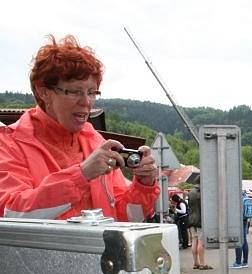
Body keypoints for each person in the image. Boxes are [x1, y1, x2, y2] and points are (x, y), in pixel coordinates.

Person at [0, 35, 159, 221]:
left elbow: (127, 218)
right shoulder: (9, 144)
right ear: (44, 92)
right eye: (75, 91)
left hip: (100, 250)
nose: (86, 102)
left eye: (92, 92)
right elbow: (11, 213)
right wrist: (81, 175)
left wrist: (143, 184)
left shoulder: (95, 142)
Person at [187, 185, 211, 270]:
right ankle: (202, 263)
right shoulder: (201, 193)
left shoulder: (191, 193)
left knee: (194, 240)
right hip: (200, 219)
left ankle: (195, 263)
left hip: (191, 219)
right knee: (201, 241)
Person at [231, 190, 252, 269]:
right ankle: (245, 262)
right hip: (245, 219)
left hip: (238, 220)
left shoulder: (235, 197)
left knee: (238, 240)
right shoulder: (244, 195)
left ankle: (238, 262)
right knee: (244, 240)